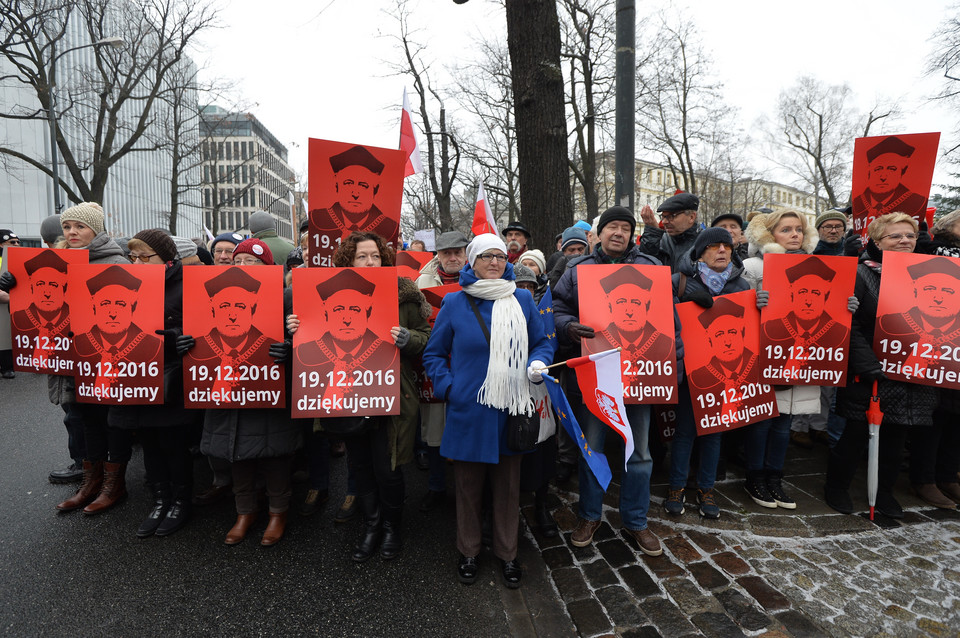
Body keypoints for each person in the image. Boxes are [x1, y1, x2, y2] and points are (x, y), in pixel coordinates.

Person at [290, 231, 431, 562]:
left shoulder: (405, 296)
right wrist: (295, 326)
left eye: (375, 256)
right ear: (348, 261)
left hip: (391, 398)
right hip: (346, 400)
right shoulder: (321, 295)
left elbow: (426, 338)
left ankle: (392, 528)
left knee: (389, 468)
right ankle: (371, 526)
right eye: (362, 257)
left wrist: (407, 338)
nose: (370, 262)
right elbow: (308, 338)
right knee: (360, 466)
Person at [423, 233, 552, 588]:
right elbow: (433, 354)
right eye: (486, 256)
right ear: (472, 262)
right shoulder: (455, 303)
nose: (495, 261)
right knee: (467, 487)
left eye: (500, 256)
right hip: (469, 411)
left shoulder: (522, 299)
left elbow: (541, 343)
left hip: (511, 408)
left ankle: (508, 554)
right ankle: (468, 550)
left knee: (509, 488)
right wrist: (451, 388)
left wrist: (538, 363)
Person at [554, 205, 681, 556]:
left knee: (638, 454)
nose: (619, 233)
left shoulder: (651, 268)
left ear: (632, 234)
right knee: (593, 449)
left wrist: (675, 363)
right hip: (597, 378)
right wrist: (566, 326)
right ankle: (589, 515)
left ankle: (636, 520)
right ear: (600, 231)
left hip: (640, 378)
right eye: (612, 226)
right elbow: (558, 308)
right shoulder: (578, 269)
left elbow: (671, 320)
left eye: (625, 227)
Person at [186, 237, 304, 546]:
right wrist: (185, 346)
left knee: (275, 458)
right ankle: (244, 512)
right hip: (228, 399)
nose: (242, 267)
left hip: (269, 396)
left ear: (267, 268)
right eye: (237, 262)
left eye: (251, 263)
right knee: (237, 456)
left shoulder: (286, 299)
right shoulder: (202, 303)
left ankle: (278, 512)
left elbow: (310, 343)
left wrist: (290, 350)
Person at [825, 213, 940, 518]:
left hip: (911, 375)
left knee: (895, 439)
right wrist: (868, 365)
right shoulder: (861, 274)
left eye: (910, 236)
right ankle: (836, 486)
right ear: (876, 242)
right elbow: (848, 324)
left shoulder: (930, 276)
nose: (904, 240)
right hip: (870, 374)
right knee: (854, 436)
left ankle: (885, 492)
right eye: (895, 236)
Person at [741, 210, 855, 510]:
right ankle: (754, 477)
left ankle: (775, 476)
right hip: (767, 356)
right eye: (786, 229)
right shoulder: (752, 266)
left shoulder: (819, 265)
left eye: (798, 230)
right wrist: (753, 301)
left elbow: (828, 304)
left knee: (785, 422)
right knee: (762, 421)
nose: (794, 235)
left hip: (804, 358)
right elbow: (734, 311)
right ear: (769, 235)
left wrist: (847, 304)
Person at [109, 230, 196, 537]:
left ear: (167, 259)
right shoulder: (124, 285)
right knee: (148, 444)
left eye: (145, 256)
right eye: (134, 256)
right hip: (136, 378)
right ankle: (160, 500)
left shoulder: (186, 287)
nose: (137, 262)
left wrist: (173, 339)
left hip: (170, 380)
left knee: (173, 444)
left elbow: (198, 330)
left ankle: (180, 501)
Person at [50, 203, 133, 515]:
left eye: (79, 227)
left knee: (112, 420)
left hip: (108, 356)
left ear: (96, 229)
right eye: (68, 226)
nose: (72, 232)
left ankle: (114, 484)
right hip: (74, 356)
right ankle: (90, 481)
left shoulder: (115, 260)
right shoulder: (57, 262)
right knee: (86, 417)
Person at [667, 227, 750, 520]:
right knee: (685, 432)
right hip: (691, 369)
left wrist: (762, 305)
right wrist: (684, 300)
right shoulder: (679, 283)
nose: (722, 251)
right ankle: (676, 486)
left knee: (714, 433)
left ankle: (706, 488)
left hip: (726, 372)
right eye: (714, 246)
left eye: (726, 246)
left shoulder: (741, 286)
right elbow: (665, 320)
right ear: (700, 253)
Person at [415, 230, 470, 511]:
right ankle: (436, 486)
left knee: (466, 428)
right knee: (434, 430)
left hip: (469, 366)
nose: (452, 257)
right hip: (434, 365)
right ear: (438, 255)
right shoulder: (421, 283)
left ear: (465, 253)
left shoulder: (479, 280)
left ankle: (466, 492)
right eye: (446, 252)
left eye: (457, 252)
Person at [309, 145, 399, 247]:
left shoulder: (390, 228)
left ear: (375, 189)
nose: (355, 194)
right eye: (348, 183)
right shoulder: (317, 219)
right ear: (337, 186)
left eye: (363, 185)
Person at [852, 136, 928, 226]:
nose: (883, 177)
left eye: (891, 169)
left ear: (901, 172)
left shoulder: (917, 203)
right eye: (878, 169)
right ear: (869, 171)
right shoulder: (858, 203)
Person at [639, 192, 702, 273]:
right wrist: (652, 233)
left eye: (671, 216)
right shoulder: (661, 240)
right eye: (663, 217)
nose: (664, 221)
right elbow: (645, 268)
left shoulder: (705, 242)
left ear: (691, 217)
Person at [0, 229, 20, 378]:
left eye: (18, 242)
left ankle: (8, 366)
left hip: (10, 301)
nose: (17, 245)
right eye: (12, 243)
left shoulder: (18, 260)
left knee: (7, 333)